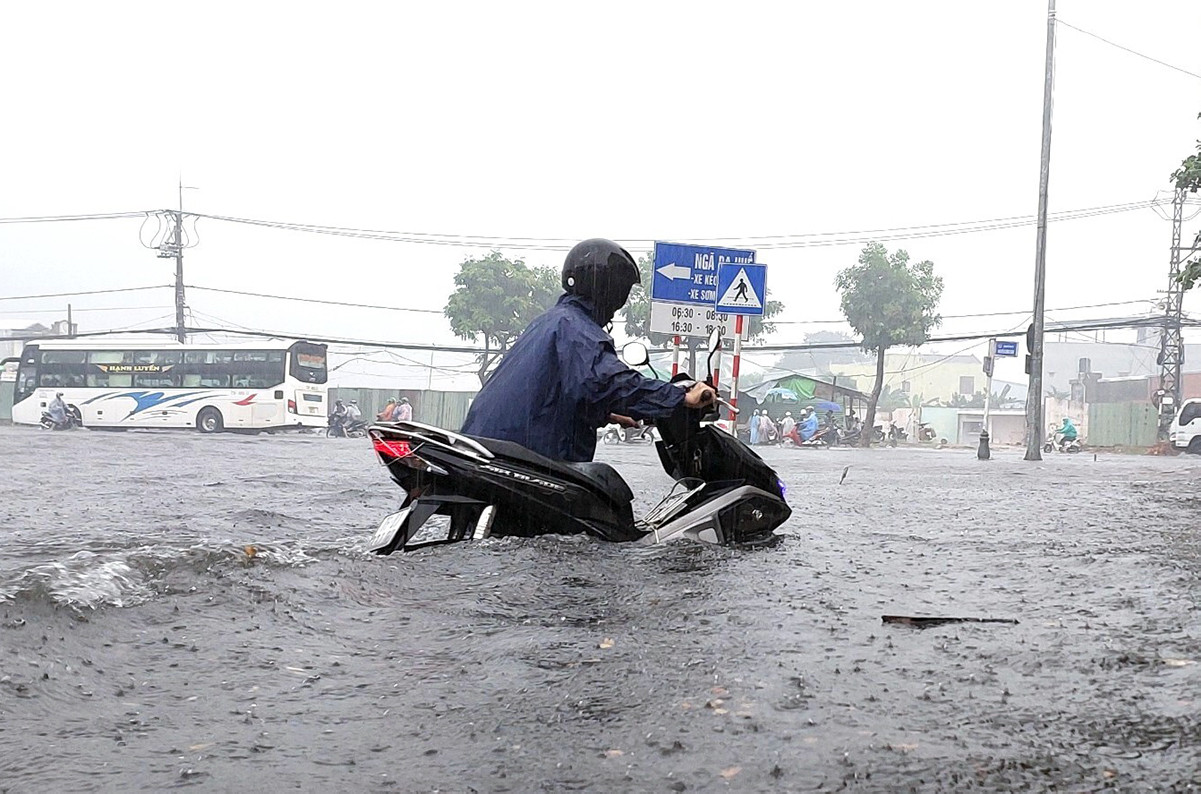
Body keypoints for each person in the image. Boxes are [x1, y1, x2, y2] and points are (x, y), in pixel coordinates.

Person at [460, 238, 715, 463]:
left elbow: (559, 392)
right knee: (606, 498)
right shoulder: (576, 329)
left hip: (492, 449)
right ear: (609, 289)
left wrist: (606, 414)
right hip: (523, 457)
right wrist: (680, 397)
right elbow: (606, 381)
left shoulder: (553, 321)